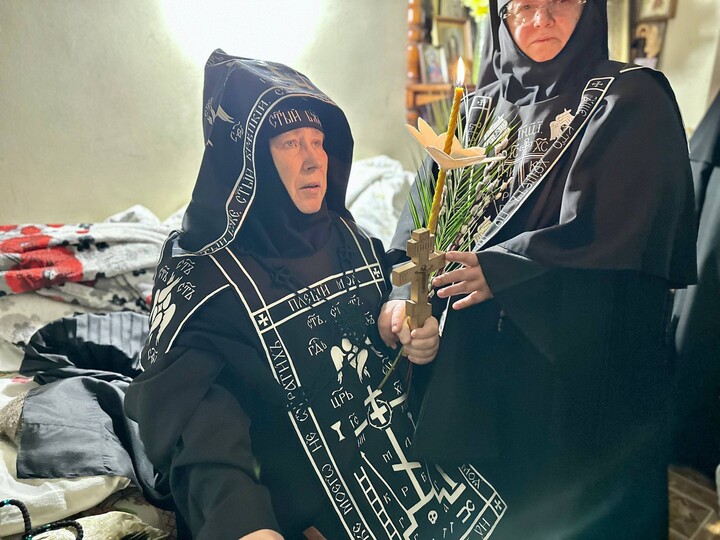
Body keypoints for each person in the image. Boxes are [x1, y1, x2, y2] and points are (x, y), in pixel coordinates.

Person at [125, 51, 506, 540]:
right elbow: (199, 424)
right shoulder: (204, 280)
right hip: (300, 501)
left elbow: (387, 291)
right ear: (249, 159)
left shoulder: (342, 232)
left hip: (416, 478)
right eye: (290, 142)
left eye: (319, 142)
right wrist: (244, 523)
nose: (313, 160)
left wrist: (400, 320)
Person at [380, 0, 697, 537]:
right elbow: (417, 225)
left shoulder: (629, 99)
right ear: (500, 17)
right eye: (523, 6)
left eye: (560, 2)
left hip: (566, 380)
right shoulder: (473, 111)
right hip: (471, 367)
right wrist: (402, 302)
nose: (540, 19)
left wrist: (505, 269)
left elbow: (623, 231)